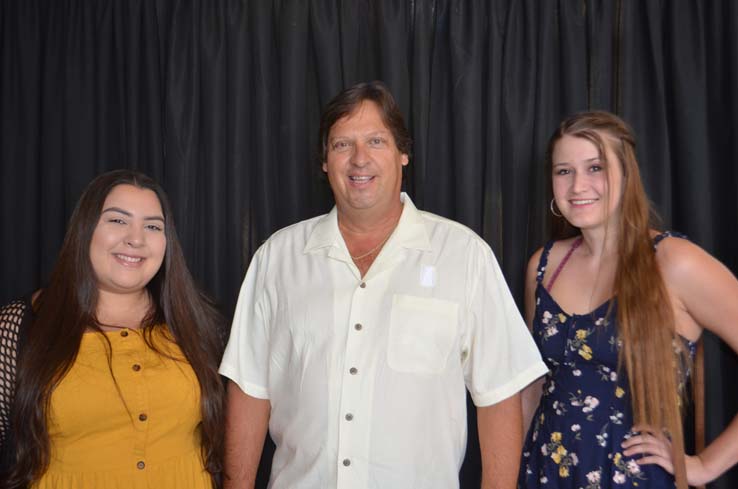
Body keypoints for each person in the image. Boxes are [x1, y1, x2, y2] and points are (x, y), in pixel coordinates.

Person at [219, 80, 548, 489]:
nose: (360, 159)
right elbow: (249, 389)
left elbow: (499, 395)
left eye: (376, 141)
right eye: (342, 145)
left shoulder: (464, 256)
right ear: (325, 161)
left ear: (403, 153)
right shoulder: (277, 258)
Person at [518, 111, 738, 488]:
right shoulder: (544, 264)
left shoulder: (674, 262)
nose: (577, 186)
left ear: (627, 174)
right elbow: (531, 387)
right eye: (564, 171)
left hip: (633, 479)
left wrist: (703, 466)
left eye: (595, 167)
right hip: (545, 473)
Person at [0, 170, 226, 488]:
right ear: (85, 229)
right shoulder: (21, 325)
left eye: (152, 226)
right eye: (118, 221)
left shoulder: (198, 324)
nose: (136, 238)